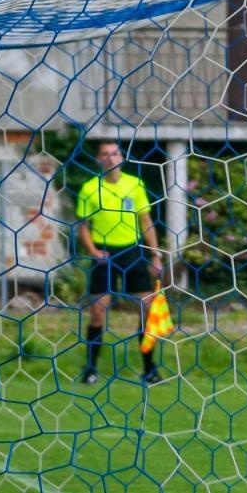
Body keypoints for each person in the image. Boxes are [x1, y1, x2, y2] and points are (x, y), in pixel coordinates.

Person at [75, 140, 166, 386]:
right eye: (105, 154)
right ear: (98, 159)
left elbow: (146, 221)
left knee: (147, 309)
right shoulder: (89, 188)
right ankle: (90, 370)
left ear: (122, 159)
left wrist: (155, 254)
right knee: (98, 311)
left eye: (115, 154)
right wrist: (93, 251)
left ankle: (150, 370)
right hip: (104, 254)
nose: (110, 158)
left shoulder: (135, 184)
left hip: (132, 252)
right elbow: (83, 226)